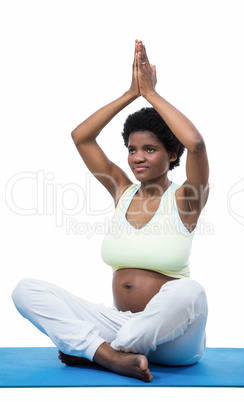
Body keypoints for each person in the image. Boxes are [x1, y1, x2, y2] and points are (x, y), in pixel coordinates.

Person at [12, 40, 209, 382]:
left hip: (176, 338)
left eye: (150, 149)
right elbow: (81, 137)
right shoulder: (121, 189)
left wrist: (150, 94)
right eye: (132, 149)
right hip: (122, 323)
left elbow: (197, 143)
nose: (137, 157)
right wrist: (129, 94)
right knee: (26, 290)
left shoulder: (187, 199)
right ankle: (109, 355)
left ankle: (100, 350)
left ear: (172, 155)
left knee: (190, 292)